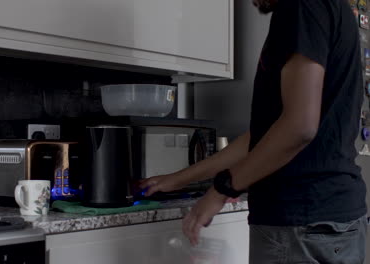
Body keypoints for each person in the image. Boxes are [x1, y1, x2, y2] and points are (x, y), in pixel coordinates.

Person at [140, 0, 368, 263]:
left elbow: (298, 127)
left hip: (298, 224)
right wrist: (181, 178)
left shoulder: (301, 6)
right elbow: (264, 137)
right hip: (336, 220)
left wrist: (223, 189)